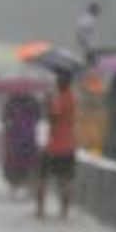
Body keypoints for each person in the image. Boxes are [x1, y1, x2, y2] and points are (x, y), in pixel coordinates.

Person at [37, 71, 77, 219]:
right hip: (68, 145)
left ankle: (40, 210)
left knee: (42, 178)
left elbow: (53, 117)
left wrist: (47, 102)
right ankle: (64, 212)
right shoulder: (73, 97)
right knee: (66, 179)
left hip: (53, 146)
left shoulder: (61, 99)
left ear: (60, 84)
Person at [1, 92, 42, 195]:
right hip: (28, 139)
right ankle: (27, 187)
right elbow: (38, 118)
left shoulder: (11, 102)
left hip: (16, 139)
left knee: (15, 163)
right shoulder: (33, 102)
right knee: (28, 163)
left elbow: (5, 120)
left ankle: (14, 187)